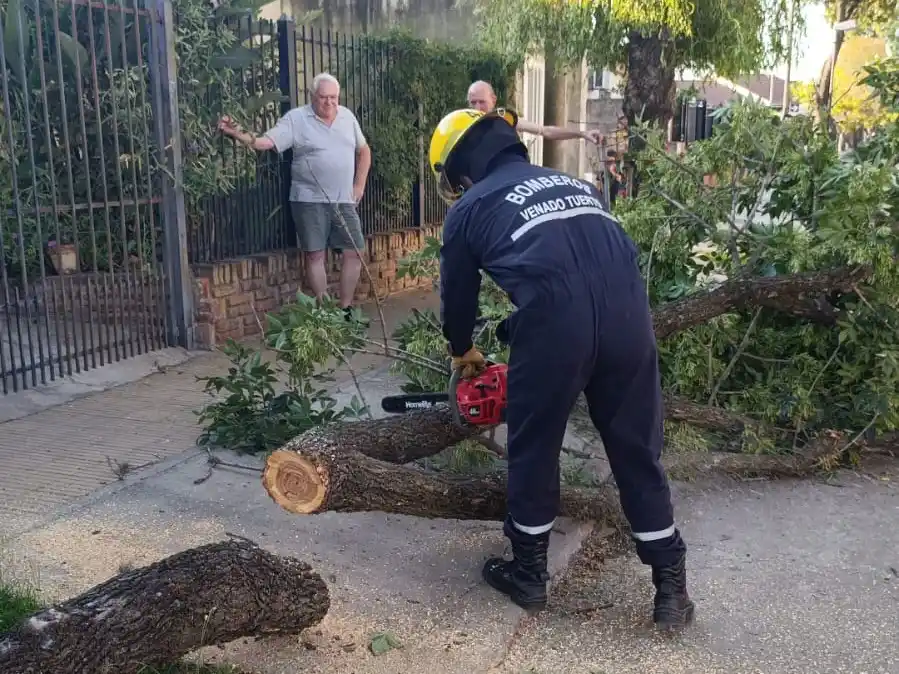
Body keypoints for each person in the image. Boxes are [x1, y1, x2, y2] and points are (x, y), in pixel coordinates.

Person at [429, 107, 694, 629]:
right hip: (629, 316)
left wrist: (464, 350)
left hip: (555, 326)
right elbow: (590, 266)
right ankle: (671, 588)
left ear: (460, 170)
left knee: (535, 445)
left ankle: (529, 574)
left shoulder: (469, 208)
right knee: (636, 448)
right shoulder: (574, 185)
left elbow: (457, 298)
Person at [217, 72, 371, 320]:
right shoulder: (297, 119)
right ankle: (324, 311)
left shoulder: (347, 117)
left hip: (343, 200)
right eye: (323, 98)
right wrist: (237, 132)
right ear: (312, 96)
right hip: (309, 199)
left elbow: (364, 151)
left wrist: (359, 185)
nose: (329, 103)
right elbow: (265, 142)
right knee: (315, 254)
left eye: (333, 97)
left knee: (355, 251)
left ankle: (345, 309)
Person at [467, 81, 603, 145]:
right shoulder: (463, 125)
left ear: (493, 100)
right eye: (473, 102)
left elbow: (545, 131)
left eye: (482, 102)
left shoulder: (506, 119)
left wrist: (581, 134)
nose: (477, 108)